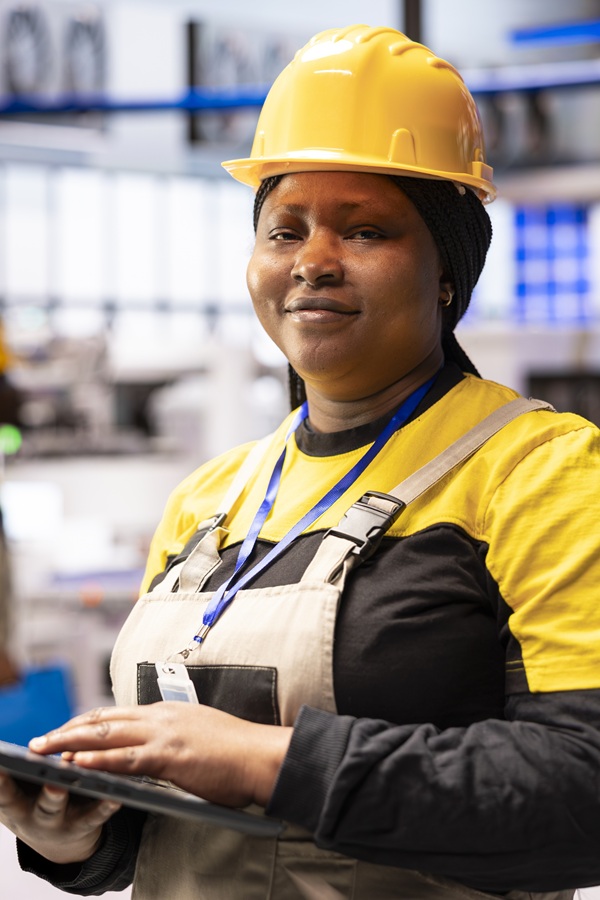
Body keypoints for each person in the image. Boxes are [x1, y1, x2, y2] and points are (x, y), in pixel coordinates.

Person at [1, 23, 600, 900]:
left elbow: (581, 792)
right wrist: (74, 834)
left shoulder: (540, 474)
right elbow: (174, 825)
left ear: (448, 269)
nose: (313, 262)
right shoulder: (211, 500)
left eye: (364, 232)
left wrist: (269, 760)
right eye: (285, 229)